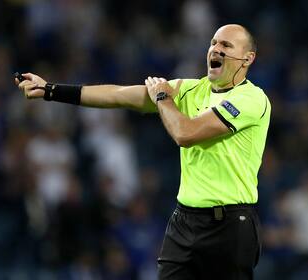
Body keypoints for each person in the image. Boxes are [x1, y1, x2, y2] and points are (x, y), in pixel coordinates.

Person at [16, 24, 271, 279]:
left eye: (226, 45)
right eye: (214, 43)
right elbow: (118, 95)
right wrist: (50, 90)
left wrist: (163, 98)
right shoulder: (190, 90)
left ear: (247, 58)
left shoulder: (251, 99)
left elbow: (186, 134)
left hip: (229, 226)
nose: (216, 49)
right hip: (185, 220)